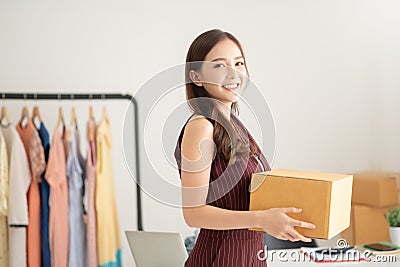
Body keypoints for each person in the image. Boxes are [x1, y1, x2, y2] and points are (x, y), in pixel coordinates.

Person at [174, 29, 316, 267]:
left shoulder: (234, 126)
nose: (233, 72)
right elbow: (193, 213)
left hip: (250, 255)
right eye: (219, 66)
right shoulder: (201, 127)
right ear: (196, 77)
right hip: (220, 257)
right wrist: (261, 219)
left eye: (238, 63)